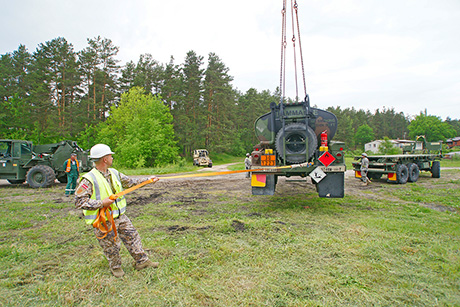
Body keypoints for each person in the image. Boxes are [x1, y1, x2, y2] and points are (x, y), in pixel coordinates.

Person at [75, 144, 159, 278]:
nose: (112, 157)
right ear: (104, 159)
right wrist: (102, 203)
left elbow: (130, 182)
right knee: (111, 245)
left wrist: (148, 180)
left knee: (132, 236)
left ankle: (142, 261)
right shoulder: (88, 179)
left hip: (120, 216)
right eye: (110, 155)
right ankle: (116, 267)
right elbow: (80, 202)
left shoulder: (114, 173)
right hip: (104, 220)